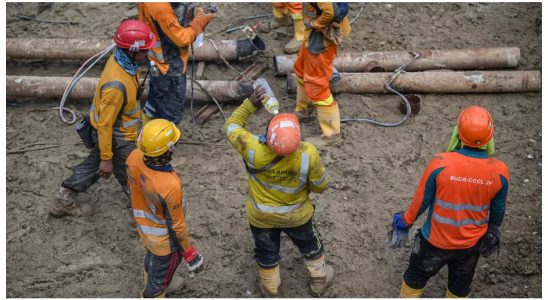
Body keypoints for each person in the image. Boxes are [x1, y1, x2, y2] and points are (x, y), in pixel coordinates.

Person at [388, 106, 510, 298]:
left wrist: (404, 222)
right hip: (470, 247)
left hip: (433, 242)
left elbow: (421, 201)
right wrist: (494, 228)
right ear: (490, 137)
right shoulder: (500, 172)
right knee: (459, 289)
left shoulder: (440, 163)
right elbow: (498, 210)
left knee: (414, 279)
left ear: (457, 133)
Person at [224, 86, 332, 297]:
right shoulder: (307, 153)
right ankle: (319, 280)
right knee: (310, 244)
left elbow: (231, 126)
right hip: (297, 216)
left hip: (261, 216)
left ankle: (271, 289)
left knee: (266, 251)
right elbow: (320, 185)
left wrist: (250, 104)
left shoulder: (253, 148)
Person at [50, 19, 156, 218]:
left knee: (92, 166)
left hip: (114, 134)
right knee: (133, 175)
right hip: (118, 137)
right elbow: (106, 126)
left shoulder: (120, 60)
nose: (148, 53)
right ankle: (142, 218)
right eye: (145, 49)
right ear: (132, 50)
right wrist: (107, 159)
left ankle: (63, 199)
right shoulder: (116, 87)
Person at [126, 119, 204, 298]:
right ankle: (153, 292)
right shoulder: (169, 185)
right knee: (159, 281)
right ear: (169, 149)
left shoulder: (133, 158)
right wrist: (190, 254)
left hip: (145, 230)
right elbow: (177, 227)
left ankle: (151, 281)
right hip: (164, 243)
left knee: (151, 262)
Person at [138, 2, 215, 125]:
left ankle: (149, 122)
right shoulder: (160, 7)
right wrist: (199, 22)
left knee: (157, 95)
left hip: (156, 62)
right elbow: (182, 38)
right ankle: (165, 137)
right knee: (171, 113)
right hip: (168, 66)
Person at [293, 2, 351, 146]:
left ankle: (331, 134)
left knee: (316, 83)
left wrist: (317, 24)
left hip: (321, 41)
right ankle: (304, 109)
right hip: (312, 37)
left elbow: (330, 12)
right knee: (301, 69)